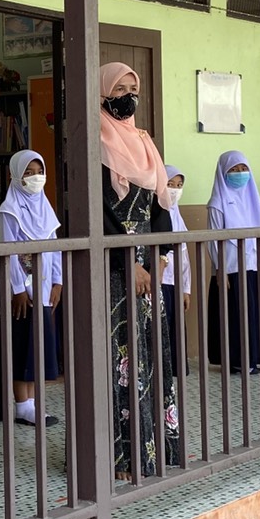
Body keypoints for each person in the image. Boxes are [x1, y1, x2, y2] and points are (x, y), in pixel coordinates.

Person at [97, 61, 180, 479]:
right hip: (114, 269)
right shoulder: (94, 141)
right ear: (102, 93)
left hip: (148, 270)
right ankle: (122, 456)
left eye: (133, 88)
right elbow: (98, 211)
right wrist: (128, 262)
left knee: (150, 353)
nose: (127, 96)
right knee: (119, 358)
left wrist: (158, 259)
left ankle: (156, 448)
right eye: (119, 88)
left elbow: (159, 207)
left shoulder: (145, 143)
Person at [0, 149, 65, 427]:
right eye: (28, 172)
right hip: (23, 292)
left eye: (39, 172)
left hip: (45, 288)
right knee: (23, 344)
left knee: (38, 346)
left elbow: (55, 248)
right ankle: (22, 404)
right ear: (15, 176)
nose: (36, 177)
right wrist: (18, 290)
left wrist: (58, 282)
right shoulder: (8, 211)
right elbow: (9, 253)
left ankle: (32, 403)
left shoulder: (45, 208)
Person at [207, 151, 260, 371]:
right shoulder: (217, 202)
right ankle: (237, 361)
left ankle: (254, 356)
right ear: (223, 173)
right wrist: (220, 269)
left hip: (251, 266)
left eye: (243, 169)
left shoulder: (252, 199)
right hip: (229, 268)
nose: (240, 173)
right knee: (234, 315)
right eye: (234, 169)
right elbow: (213, 239)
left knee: (253, 312)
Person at [161, 165, 195, 365]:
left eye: (179, 185)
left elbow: (184, 256)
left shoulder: (177, 215)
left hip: (175, 283)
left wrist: (185, 289)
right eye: (170, 184)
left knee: (175, 330)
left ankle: (174, 369)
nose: (174, 190)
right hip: (159, 281)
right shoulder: (154, 213)